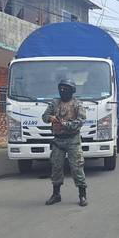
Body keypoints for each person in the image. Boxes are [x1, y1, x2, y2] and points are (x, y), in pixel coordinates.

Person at [42, 79, 88, 207]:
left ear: (71, 91)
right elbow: (44, 116)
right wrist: (51, 118)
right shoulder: (54, 103)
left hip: (73, 140)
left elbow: (80, 121)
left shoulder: (77, 104)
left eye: (65, 89)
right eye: (61, 89)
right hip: (58, 140)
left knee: (77, 167)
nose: (63, 91)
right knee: (56, 167)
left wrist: (64, 123)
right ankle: (56, 194)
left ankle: (82, 195)